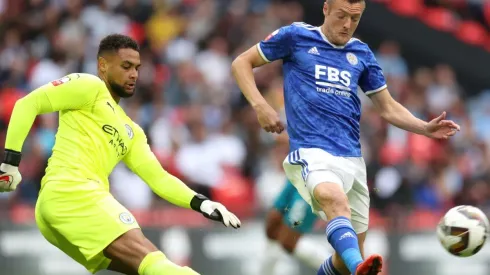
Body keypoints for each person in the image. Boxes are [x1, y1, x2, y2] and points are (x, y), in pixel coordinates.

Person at [231, 0, 460, 274]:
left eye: (355, 18)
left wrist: (424, 127)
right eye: (341, 16)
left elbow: (387, 107)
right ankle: (358, 268)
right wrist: (260, 106)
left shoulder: (361, 53)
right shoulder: (295, 36)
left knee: (340, 260)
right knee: (326, 207)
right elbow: (241, 62)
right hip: (311, 153)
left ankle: (351, 266)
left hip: (351, 160)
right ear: (325, 9)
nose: (347, 25)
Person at [0, 34, 241, 275]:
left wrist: (202, 202)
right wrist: (11, 164)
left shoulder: (132, 131)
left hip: (59, 206)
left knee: (150, 267)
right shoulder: (90, 87)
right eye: (126, 66)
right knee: (152, 259)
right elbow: (26, 105)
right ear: (103, 66)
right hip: (72, 192)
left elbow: (159, 179)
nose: (134, 74)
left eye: (137, 68)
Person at [260, 179, 329, 275]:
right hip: (296, 172)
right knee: (272, 227)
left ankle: (337, 268)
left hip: (313, 182)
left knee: (288, 241)